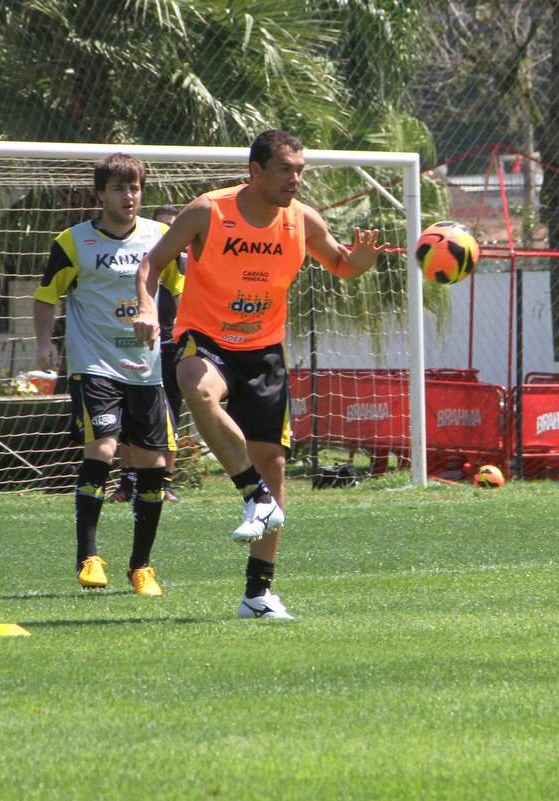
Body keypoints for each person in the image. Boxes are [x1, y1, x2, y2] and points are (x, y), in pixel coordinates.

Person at [133, 129, 384, 619]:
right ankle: (255, 494)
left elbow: (340, 263)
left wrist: (359, 263)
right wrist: (145, 306)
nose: (295, 179)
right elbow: (153, 263)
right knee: (195, 385)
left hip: (265, 349)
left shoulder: (302, 220)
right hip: (207, 338)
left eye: (300, 170)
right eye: (285, 169)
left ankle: (258, 594)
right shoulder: (208, 211)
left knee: (274, 462)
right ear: (255, 171)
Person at [34, 154, 184, 596]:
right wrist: (43, 343)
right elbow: (46, 296)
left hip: (146, 367)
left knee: (153, 463)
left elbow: (182, 290)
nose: (129, 196)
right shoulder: (73, 241)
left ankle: (141, 567)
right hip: (94, 363)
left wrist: (181, 332)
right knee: (103, 446)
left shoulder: (160, 238)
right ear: (101, 193)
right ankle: (88, 557)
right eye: (119, 188)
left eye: (134, 187)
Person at [111, 204, 186, 503]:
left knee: (170, 414)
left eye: (174, 227)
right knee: (131, 414)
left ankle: (165, 483)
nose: (169, 233)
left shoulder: (182, 263)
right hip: (137, 345)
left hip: (171, 345)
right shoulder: (140, 264)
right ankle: (127, 482)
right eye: (163, 226)